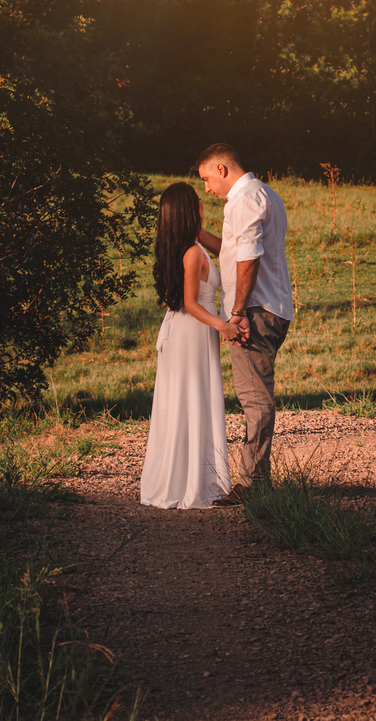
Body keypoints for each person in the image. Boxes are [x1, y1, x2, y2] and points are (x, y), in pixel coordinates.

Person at [195, 144, 293, 507]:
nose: (207, 188)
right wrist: (199, 235)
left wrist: (236, 313)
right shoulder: (265, 193)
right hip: (269, 306)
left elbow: (249, 259)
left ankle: (253, 485)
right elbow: (235, 251)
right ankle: (256, 480)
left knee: (255, 397)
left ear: (221, 168)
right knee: (256, 394)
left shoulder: (244, 199)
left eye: (206, 178)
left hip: (254, 311)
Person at [140, 182, 244, 509]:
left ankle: (188, 477)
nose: (204, 204)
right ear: (190, 210)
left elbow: (227, 250)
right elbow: (191, 302)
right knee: (194, 398)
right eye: (198, 202)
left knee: (185, 401)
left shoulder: (188, 246)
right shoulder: (193, 252)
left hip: (185, 332)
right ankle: (193, 482)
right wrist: (223, 326)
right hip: (193, 330)